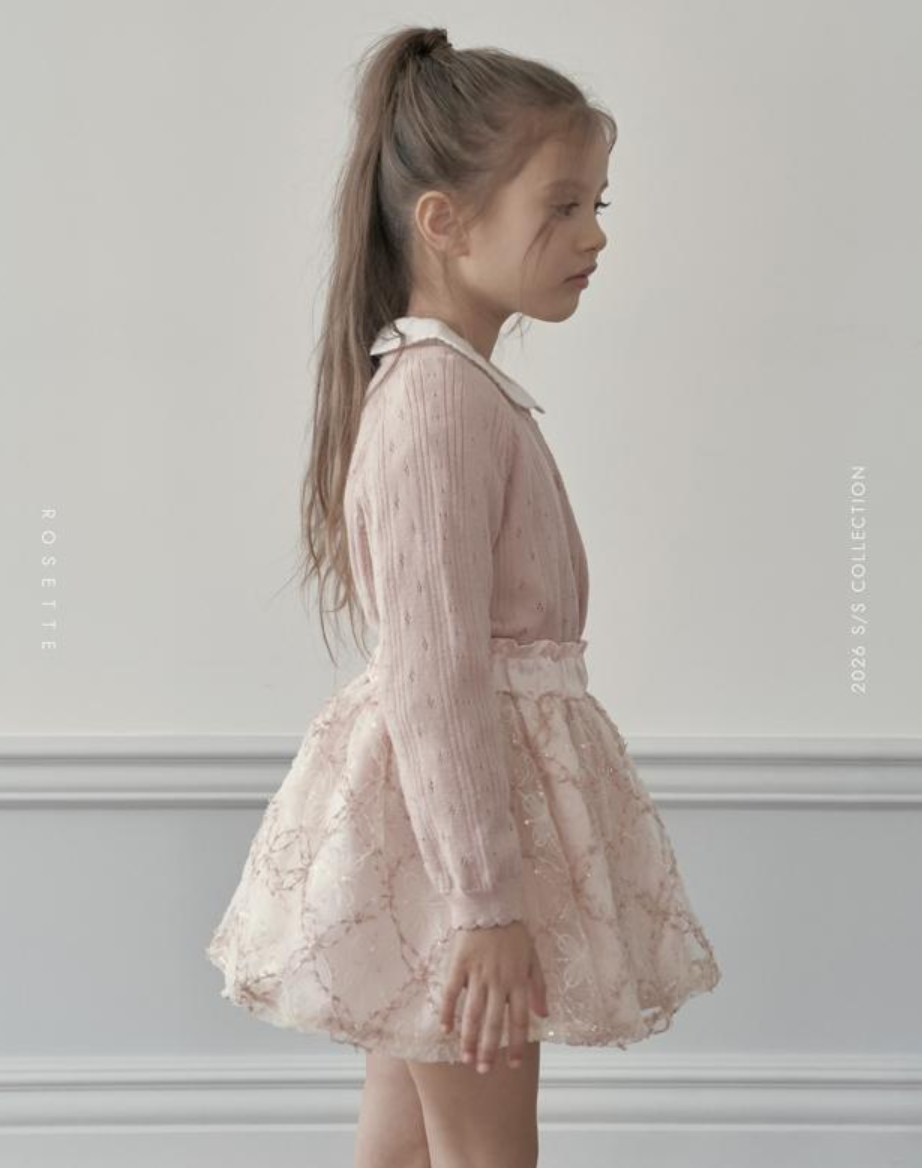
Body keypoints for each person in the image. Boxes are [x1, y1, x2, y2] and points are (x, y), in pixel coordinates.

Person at [206, 24, 721, 1168]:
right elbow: (434, 676)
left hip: (450, 842)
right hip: (454, 855)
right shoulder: (437, 403)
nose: (594, 234)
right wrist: (483, 906)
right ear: (444, 222)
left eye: (597, 204)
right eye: (561, 206)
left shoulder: (459, 393)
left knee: (400, 1151)